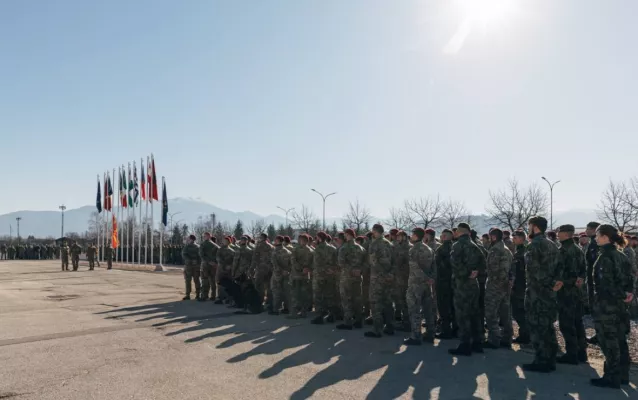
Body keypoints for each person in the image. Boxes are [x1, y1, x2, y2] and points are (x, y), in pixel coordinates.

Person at [589, 224, 633, 388]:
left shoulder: (606, 257)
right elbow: (629, 279)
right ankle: (622, 375)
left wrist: (622, 295)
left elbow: (606, 284)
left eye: (597, 235)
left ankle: (611, 377)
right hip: (620, 306)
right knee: (621, 340)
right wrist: (628, 294)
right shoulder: (621, 255)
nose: (595, 238)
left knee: (609, 342)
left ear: (605, 237)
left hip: (608, 306)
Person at [523, 216, 561, 373]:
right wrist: (554, 283)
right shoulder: (552, 245)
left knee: (538, 327)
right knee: (547, 326)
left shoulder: (534, 245)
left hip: (537, 292)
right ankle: (550, 359)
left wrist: (546, 283)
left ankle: (541, 360)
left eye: (529, 225)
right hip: (550, 292)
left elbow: (535, 271)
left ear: (535, 227)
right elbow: (559, 268)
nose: (528, 228)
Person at [448, 223, 484, 355]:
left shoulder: (458, 245)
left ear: (458, 232)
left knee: (463, 315)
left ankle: (465, 345)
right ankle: (477, 343)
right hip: (473, 285)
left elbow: (455, 264)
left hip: (462, 284)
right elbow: (483, 261)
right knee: (474, 314)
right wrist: (476, 271)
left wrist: (467, 273)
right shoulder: (475, 245)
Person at [555, 224, 588, 365]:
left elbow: (564, 274)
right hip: (577, 293)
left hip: (566, 293)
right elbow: (582, 272)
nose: (557, 234)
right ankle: (582, 353)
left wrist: (560, 283)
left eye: (559, 232)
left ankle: (572, 354)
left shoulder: (564, 250)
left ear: (566, 234)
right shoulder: (578, 249)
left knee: (567, 324)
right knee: (578, 323)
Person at [403, 228, 435, 345]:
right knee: (428, 310)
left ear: (416, 236)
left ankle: (416, 336)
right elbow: (434, 267)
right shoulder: (429, 249)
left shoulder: (413, 250)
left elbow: (415, 268)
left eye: (412, 234)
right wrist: (431, 278)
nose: (411, 236)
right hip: (427, 284)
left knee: (414, 309)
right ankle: (430, 334)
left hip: (416, 283)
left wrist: (426, 278)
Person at [483, 228, 513, 349]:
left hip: (495, 285)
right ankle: (507, 338)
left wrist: (495, 283)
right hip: (505, 285)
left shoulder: (495, 250)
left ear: (493, 237)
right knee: (505, 313)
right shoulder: (506, 249)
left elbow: (495, 270)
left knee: (491, 313)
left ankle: (494, 339)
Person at [364, 224, 395, 338]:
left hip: (377, 278)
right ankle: (390, 327)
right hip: (388, 277)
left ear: (375, 231)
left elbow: (373, 262)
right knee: (388, 302)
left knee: (375, 302)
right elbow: (394, 261)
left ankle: (377, 330)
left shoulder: (374, 244)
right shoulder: (389, 244)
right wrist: (390, 274)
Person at [336, 229, 364, 330]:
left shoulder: (344, 248)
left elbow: (341, 263)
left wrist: (351, 270)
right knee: (357, 299)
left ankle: (348, 322)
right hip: (357, 277)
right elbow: (366, 263)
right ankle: (358, 321)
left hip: (346, 277)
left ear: (347, 235)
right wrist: (359, 270)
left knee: (346, 299)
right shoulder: (361, 248)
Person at [311, 231, 340, 324]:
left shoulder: (318, 249)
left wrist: (323, 270)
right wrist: (331, 270)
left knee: (319, 296)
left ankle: (320, 316)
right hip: (331, 275)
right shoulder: (333, 248)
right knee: (330, 295)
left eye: (316, 238)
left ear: (319, 238)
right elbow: (337, 262)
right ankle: (331, 315)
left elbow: (317, 264)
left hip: (320, 276)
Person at [435, 229, 456, 339]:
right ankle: (455, 329)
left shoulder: (441, 249)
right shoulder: (455, 247)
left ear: (444, 237)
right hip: (454, 282)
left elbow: (437, 266)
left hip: (443, 282)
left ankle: (446, 330)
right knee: (453, 307)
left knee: (443, 307)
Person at [511, 230, 530, 344]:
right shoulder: (519, 250)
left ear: (522, 238)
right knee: (518, 312)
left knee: (520, 312)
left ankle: (525, 335)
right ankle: (525, 334)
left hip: (521, 287)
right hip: (518, 286)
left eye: (515, 237)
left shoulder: (523, 252)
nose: (513, 239)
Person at [289, 233, 314, 319]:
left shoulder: (296, 249)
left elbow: (293, 261)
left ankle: (294, 313)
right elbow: (313, 263)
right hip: (305, 275)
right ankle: (303, 312)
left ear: (301, 240)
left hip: (297, 275)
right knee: (304, 294)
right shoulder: (311, 250)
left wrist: (300, 269)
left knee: (296, 294)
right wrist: (307, 269)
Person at [270, 235, 292, 314]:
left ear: (279, 241)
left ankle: (275, 309)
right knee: (286, 291)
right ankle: (287, 308)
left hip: (277, 274)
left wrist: (281, 271)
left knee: (276, 291)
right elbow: (291, 264)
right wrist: (287, 271)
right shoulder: (287, 251)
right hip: (286, 274)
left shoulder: (275, 251)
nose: (274, 241)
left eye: (275, 240)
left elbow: (275, 264)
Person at [199, 233, 220, 302]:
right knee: (212, 280)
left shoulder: (203, 244)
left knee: (205, 280)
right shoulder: (216, 245)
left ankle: (204, 296)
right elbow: (219, 254)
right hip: (213, 265)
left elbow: (201, 255)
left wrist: (208, 261)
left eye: (204, 236)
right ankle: (213, 295)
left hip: (206, 265)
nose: (203, 237)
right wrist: (215, 263)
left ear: (207, 236)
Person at [216, 237, 236, 304]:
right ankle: (221, 298)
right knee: (220, 283)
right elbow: (218, 258)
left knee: (229, 283)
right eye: (224, 241)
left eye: (226, 241)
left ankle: (228, 298)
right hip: (221, 269)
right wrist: (224, 265)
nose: (224, 242)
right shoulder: (220, 250)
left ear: (229, 242)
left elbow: (234, 260)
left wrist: (230, 266)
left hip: (228, 270)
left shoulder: (232, 251)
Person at [181, 235, 201, 300]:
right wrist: (197, 262)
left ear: (191, 239)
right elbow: (200, 256)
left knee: (188, 281)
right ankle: (198, 294)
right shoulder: (198, 247)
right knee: (197, 280)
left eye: (188, 238)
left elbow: (184, 254)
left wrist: (189, 260)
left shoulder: (187, 246)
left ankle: (188, 295)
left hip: (189, 266)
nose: (187, 239)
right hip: (196, 266)